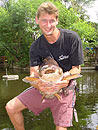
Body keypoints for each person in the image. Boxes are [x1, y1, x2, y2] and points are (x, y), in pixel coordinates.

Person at [5, 2, 84, 130]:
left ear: (57, 20)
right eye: (44, 21)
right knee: (11, 107)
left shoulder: (72, 38)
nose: (48, 25)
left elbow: (76, 68)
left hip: (65, 87)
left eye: (52, 21)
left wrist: (66, 79)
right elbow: (33, 74)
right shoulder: (35, 47)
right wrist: (37, 84)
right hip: (42, 86)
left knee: (61, 128)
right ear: (37, 20)